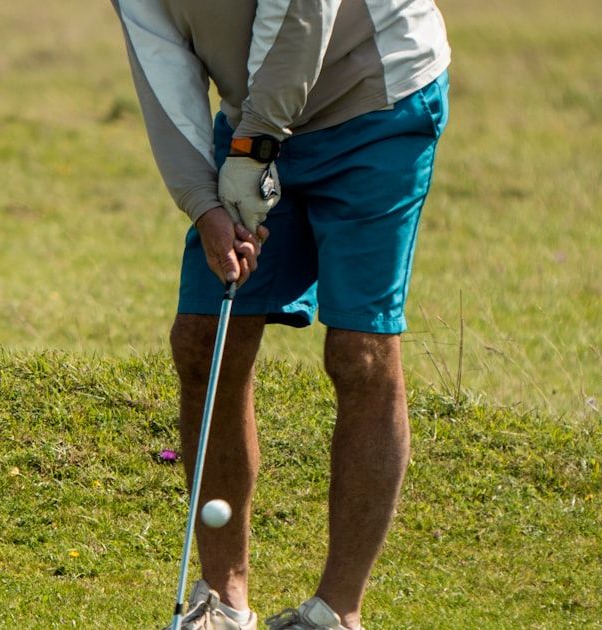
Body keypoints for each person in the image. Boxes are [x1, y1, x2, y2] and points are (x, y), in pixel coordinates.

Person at [111, 1, 451, 628]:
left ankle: (335, 612)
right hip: (252, 126)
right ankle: (223, 600)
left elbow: (301, 13)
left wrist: (257, 142)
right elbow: (162, 69)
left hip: (375, 99)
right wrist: (205, 205)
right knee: (204, 336)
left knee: (359, 351)